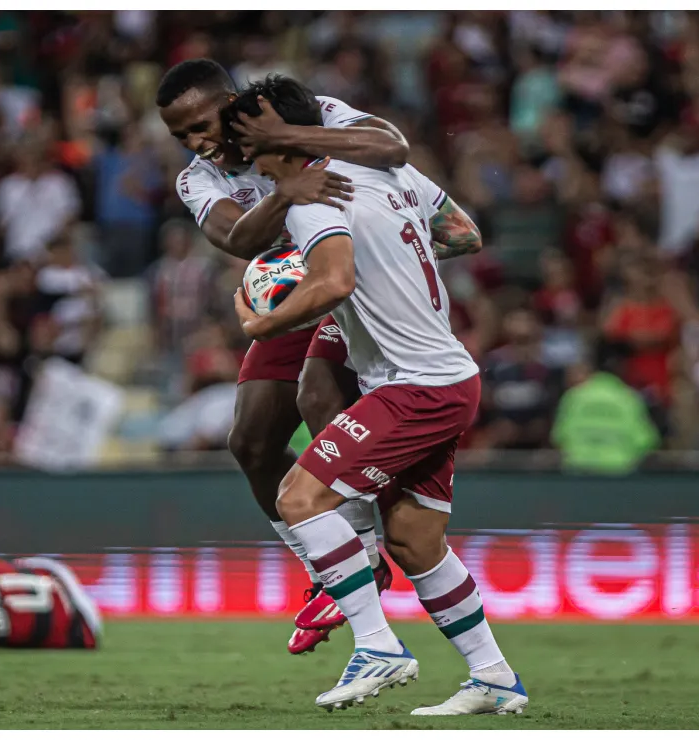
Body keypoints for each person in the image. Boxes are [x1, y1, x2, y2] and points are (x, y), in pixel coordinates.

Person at [225, 76, 526, 715]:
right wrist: (391, 280)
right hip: (450, 373)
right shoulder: (396, 176)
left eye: (248, 139)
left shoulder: (311, 200)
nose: (242, 150)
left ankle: (378, 646)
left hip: (411, 385)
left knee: (300, 498)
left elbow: (333, 282)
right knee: (415, 538)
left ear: (271, 139)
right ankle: (494, 676)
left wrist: (261, 323)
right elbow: (463, 234)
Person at [157, 58, 409, 655]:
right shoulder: (197, 178)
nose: (197, 142)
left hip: (361, 279)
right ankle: (331, 565)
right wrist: (286, 194)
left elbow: (391, 147)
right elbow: (236, 238)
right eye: (182, 135)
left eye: (203, 124)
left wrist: (287, 140)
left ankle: (366, 550)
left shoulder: (308, 112)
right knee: (249, 440)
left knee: (318, 396)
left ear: (231, 101)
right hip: (299, 295)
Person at [551, 345, 660, 474]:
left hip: (579, 472)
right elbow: (645, 441)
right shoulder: (629, 398)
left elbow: (558, 436)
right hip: (619, 473)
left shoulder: (574, 396)